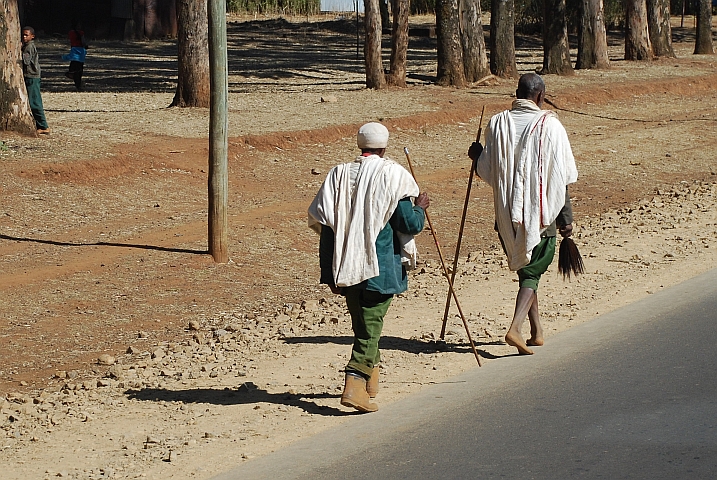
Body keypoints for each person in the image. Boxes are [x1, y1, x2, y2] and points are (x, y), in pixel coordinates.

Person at [308, 122, 430, 413]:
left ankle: (370, 381)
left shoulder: (338, 175)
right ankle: (353, 383)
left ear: (360, 145)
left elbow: (327, 227)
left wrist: (330, 273)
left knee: (363, 324)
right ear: (384, 147)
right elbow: (408, 224)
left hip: (345, 265)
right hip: (380, 267)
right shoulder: (393, 175)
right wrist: (421, 207)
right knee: (369, 327)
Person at [469, 73, 578, 355]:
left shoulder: (498, 123)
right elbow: (559, 177)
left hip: (506, 215)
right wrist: (565, 219)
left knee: (527, 268)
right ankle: (515, 327)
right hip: (540, 215)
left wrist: (476, 155)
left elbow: (487, 168)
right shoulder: (550, 126)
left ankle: (536, 331)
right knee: (533, 269)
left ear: (516, 93)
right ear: (540, 96)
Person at [21, 26, 50, 134]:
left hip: (32, 76)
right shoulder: (27, 46)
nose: (24, 37)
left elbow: (26, 61)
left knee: (35, 102)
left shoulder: (29, 47)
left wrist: (19, 51)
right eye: (23, 35)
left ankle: (43, 126)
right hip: (29, 75)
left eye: (26, 35)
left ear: (32, 36)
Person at [62, 19, 88, 92]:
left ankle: (71, 73)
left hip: (73, 51)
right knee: (79, 70)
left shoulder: (71, 33)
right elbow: (83, 42)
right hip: (80, 53)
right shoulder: (81, 33)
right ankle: (78, 84)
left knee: (73, 65)